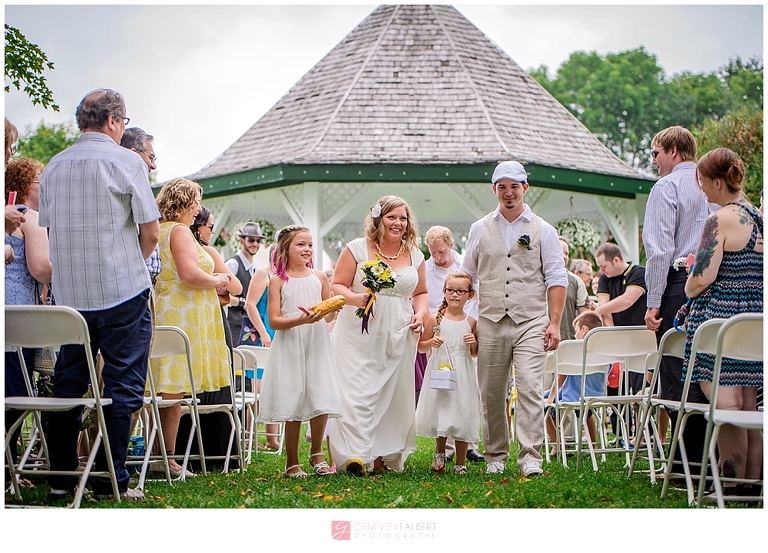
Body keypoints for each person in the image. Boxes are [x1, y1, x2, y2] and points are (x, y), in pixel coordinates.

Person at [39, 88, 160, 502]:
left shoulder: (53, 166)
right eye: (124, 122)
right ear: (113, 121)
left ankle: (59, 480)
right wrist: (131, 264)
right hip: (122, 290)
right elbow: (151, 231)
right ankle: (112, 479)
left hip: (71, 297)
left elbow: (51, 231)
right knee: (123, 386)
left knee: (68, 385)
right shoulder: (126, 160)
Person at [463, 160, 567, 477]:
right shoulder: (479, 228)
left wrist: (554, 322)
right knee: (492, 392)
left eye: (514, 186)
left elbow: (556, 277)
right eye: (502, 187)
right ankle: (495, 454)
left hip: (531, 321)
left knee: (530, 388)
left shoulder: (544, 230)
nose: (509, 193)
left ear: (525, 188)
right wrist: (467, 318)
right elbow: (467, 275)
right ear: (494, 189)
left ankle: (531, 456)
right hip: (490, 319)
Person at [329, 195, 429, 475]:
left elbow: (421, 293)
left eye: (403, 218)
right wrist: (354, 297)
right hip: (360, 330)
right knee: (359, 390)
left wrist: (420, 314)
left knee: (392, 392)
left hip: (399, 331)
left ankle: (384, 455)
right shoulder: (357, 248)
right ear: (378, 218)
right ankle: (356, 455)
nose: (398, 223)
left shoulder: (415, 254)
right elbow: (337, 284)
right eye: (391, 217)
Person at [682, 147, 763, 492]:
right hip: (753, 325)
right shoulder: (758, 217)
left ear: (717, 182)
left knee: (727, 405)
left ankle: (729, 487)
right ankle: (751, 486)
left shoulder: (721, 219)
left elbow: (702, 277)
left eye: (702, 181)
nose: (701, 189)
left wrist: (687, 285)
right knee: (749, 407)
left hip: (722, 325)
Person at [150, 178, 239, 475]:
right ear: (186, 203)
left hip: (172, 309)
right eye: (196, 203)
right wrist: (217, 280)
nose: (198, 209)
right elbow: (188, 273)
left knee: (166, 389)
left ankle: (158, 453)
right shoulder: (178, 231)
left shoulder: (157, 230)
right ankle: (168, 459)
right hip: (182, 315)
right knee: (173, 392)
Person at [641, 126, 716, 471]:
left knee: (674, 371)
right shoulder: (713, 186)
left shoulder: (666, 186)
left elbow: (659, 250)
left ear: (673, 151)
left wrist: (653, 301)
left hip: (677, 285)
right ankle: (709, 456)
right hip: (716, 286)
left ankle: (688, 460)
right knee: (709, 369)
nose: (654, 161)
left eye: (656, 153)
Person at [258, 225, 343, 477]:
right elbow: (273, 321)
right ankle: (291, 461)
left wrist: (334, 308)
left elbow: (328, 317)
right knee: (293, 397)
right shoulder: (277, 281)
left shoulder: (319, 277)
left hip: (316, 343)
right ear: (286, 248)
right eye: (300, 244)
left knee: (320, 394)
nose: (307, 249)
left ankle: (317, 453)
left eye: (309, 245)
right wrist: (301, 320)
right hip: (291, 343)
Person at [4, 157, 52, 468]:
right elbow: (41, 269)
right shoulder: (29, 217)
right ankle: (8, 468)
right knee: (17, 395)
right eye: (40, 182)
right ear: (24, 187)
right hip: (18, 319)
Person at [423, 225, 483, 463]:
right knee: (443, 395)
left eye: (441, 252)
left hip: (465, 329)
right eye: (433, 252)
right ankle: (444, 450)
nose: (437, 257)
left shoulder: (464, 266)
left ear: (450, 246)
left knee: (465, 396)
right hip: (440, 328)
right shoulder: (426, 269)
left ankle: (468, 445)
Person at [415, 271, 480, 475]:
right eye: (450, 290)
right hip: (441, 370)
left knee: (462, 412)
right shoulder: (435, 319)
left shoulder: (471, 322)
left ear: (469, 295)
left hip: (463, 372)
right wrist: (430, 342)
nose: (454, 295)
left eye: (461, 291)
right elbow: (421, 347)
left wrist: (474, 343)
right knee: (442, 410)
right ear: (444, 292)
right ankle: (440, 453)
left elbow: (475, 353)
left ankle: (461, 462)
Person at [544, 311, 605, 454]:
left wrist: (550, 399)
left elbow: (561, 377)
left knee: (540, 403)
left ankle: (557, 443)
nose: (574, 335)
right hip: (597, 394)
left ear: (584, 330)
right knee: (586, 410)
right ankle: (594, 445)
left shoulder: (574, 350)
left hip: (573, 395)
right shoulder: (603, 351)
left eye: (576, 330)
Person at [120, 127, 161, 283]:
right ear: (133, 153)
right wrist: (135, 263)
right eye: (151, 158)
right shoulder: (133, 183)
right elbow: (152, 235)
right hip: (134, 280)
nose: (153, 166)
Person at [225, 221, 265, 342]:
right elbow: (220, 295)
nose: (255, 244)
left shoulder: (255, 268)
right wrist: (243, 302)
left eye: (258, 241)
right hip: (233, 325)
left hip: (248, 327)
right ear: (241, 241)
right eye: (251, 240)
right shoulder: (233, 264)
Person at [559, 236, 589, 340]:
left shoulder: (576, 281)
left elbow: (585, 315)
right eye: (560, 251)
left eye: (566, 253)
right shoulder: (536, 278)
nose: (564, 256)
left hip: (568, 341)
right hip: (539, 341)